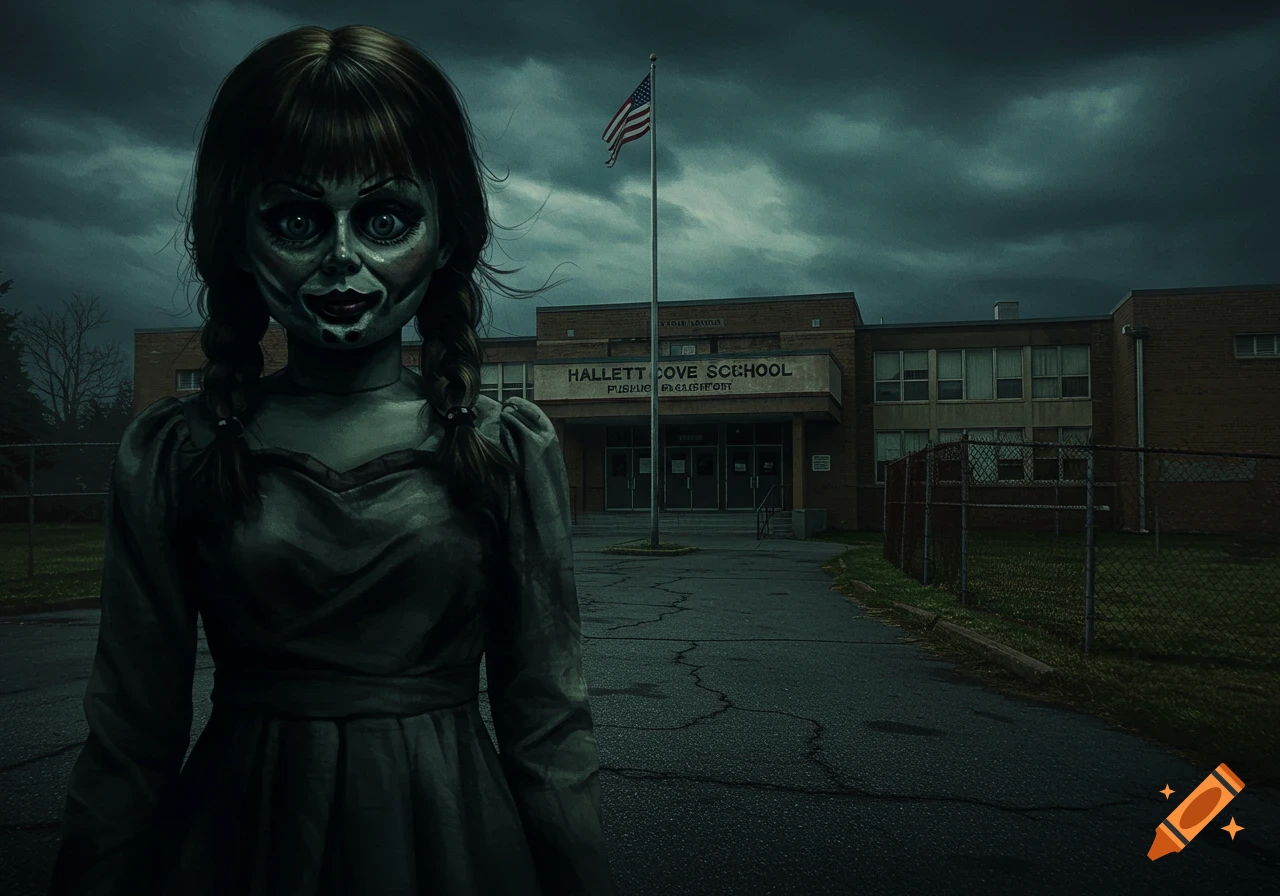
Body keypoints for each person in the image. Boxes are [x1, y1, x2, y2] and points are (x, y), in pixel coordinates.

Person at [47, 24, 617, 896]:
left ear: (447, 231)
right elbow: (130, 733)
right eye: (297, 218)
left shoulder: (503, 450)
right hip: (236, 845)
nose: (344, 257)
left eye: (385, 217)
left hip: (457, 846)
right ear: (237, 235)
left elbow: (549, 730)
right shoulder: (181, 452)